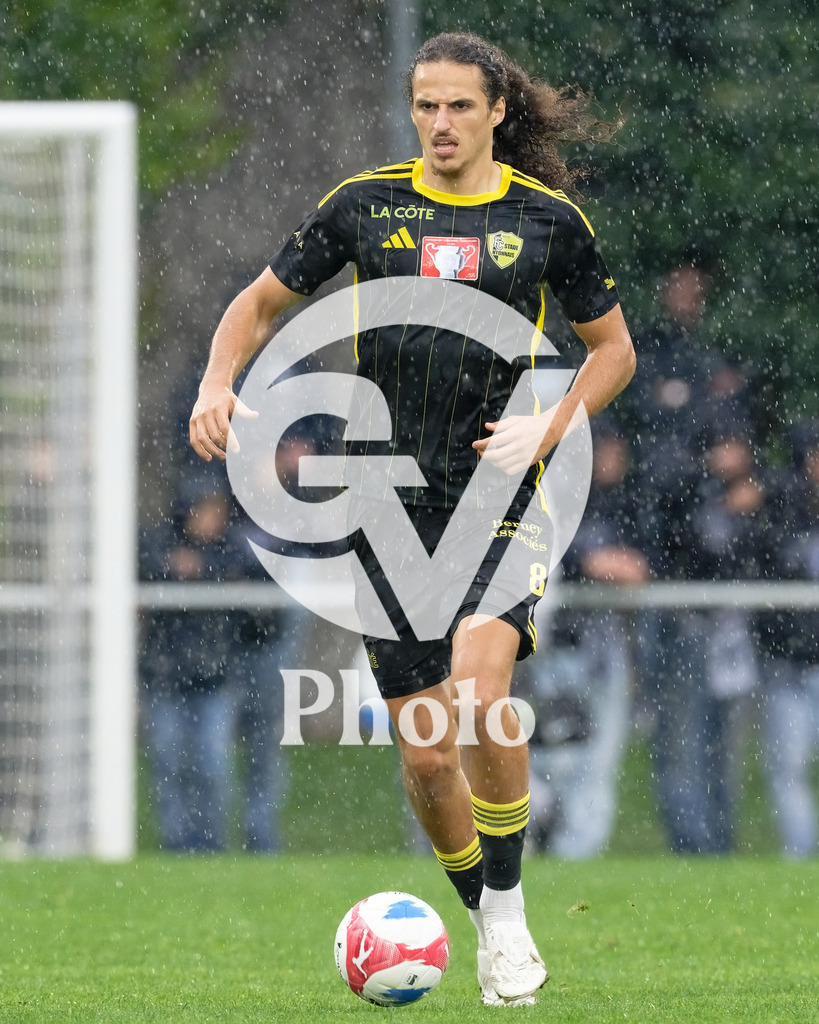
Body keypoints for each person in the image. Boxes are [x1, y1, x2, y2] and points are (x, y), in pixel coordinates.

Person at [189, 32, 635, 1006]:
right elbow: (259, 304)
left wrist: (552, 425)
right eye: (425, 105)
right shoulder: (364, 206)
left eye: (458, 107)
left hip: (495, 493)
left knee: (479, 696)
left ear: (496, 113)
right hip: (384, 502)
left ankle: (510, 920)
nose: (438, 123)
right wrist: (216, 382)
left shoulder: (545, 221)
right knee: (429, 751)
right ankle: (479, 910)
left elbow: (612, 351)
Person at [525, 418, 649, 858]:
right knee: (545, 758)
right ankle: (532, 843)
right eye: (605, 447)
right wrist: (589, 560)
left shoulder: (631, 501)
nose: (614, 456)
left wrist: (614, 564)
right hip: (554, 650)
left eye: (618, 446)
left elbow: (645, 564)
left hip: (604, 652)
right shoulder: (559, 496)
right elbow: (554, 553)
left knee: (596, 761)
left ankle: (577, 856)